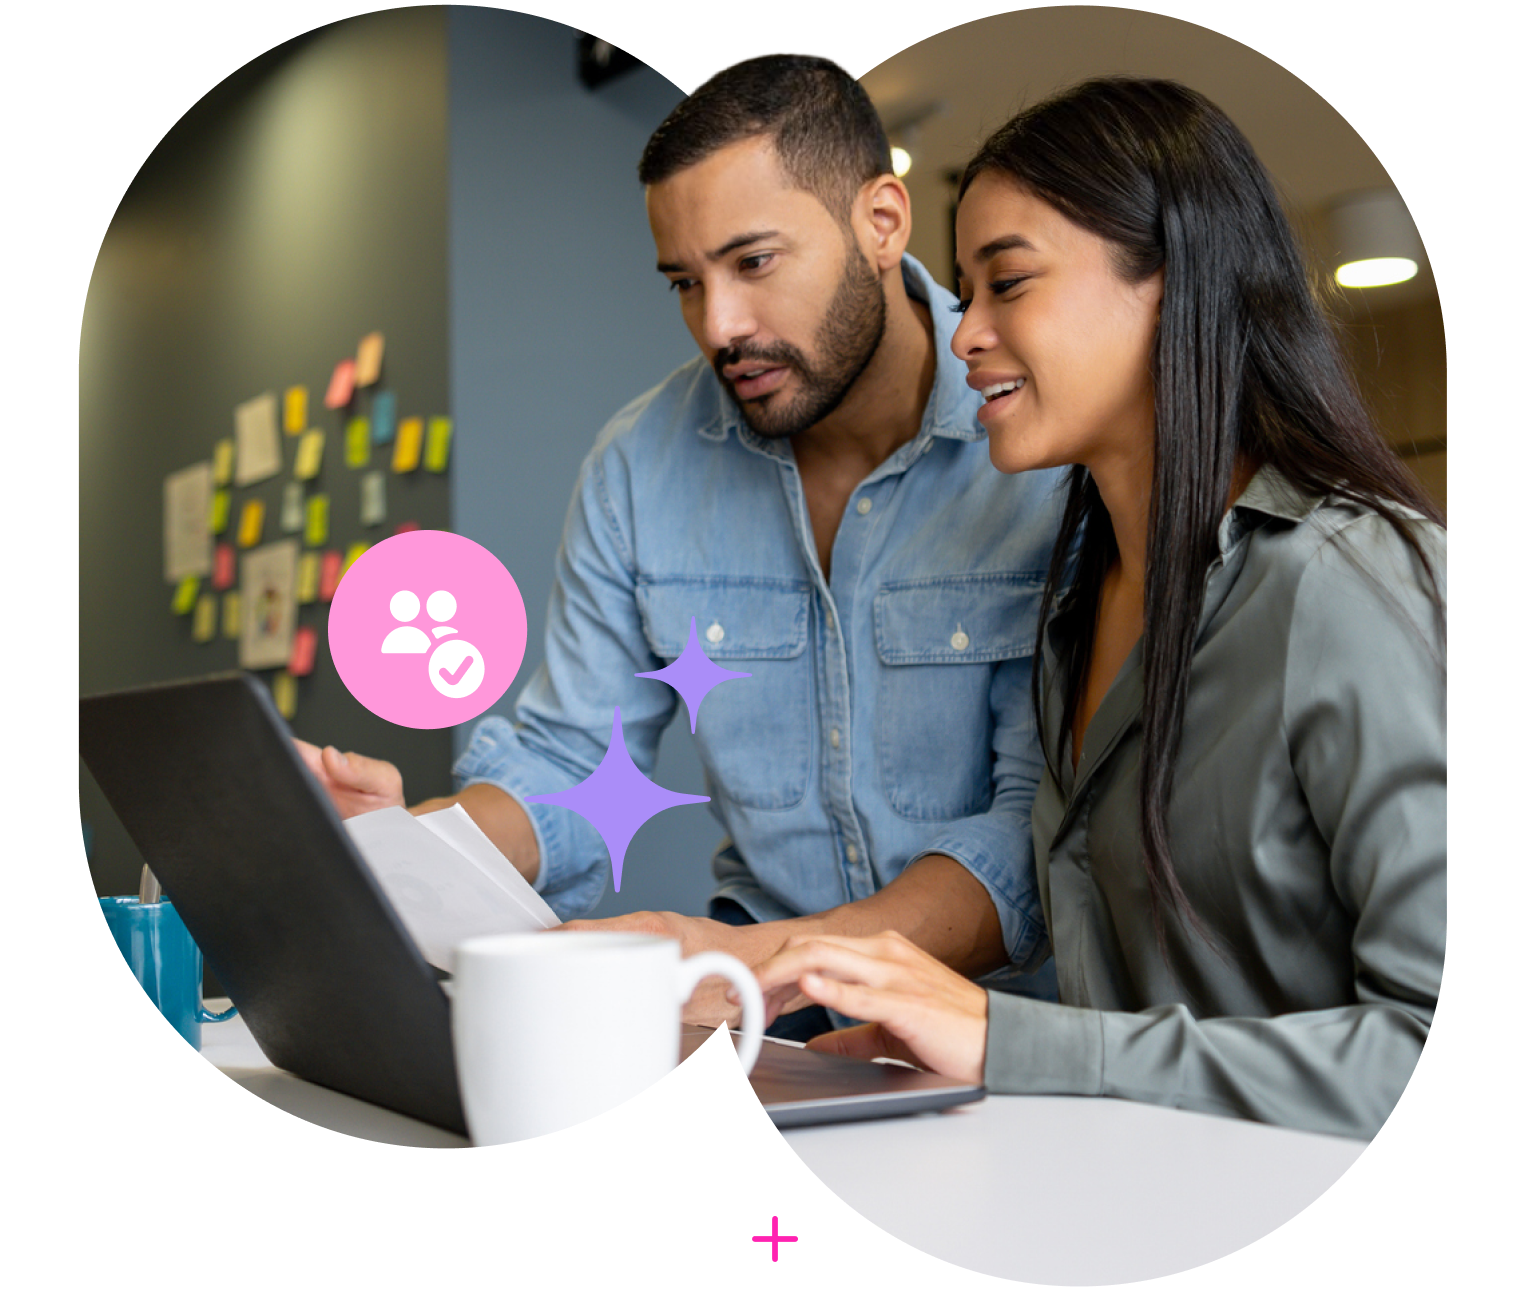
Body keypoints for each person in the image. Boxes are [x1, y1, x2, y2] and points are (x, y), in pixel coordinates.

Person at [298, 53, 1066, 1040]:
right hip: (754, 1009)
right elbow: (574, 763)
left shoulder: (1038, 441)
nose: (720, 326)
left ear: (880, 220)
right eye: (683, 282)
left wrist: (772, 959)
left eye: (752, 263)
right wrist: (407, 848)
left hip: (997, 1019)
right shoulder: (639, 464)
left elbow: (1031, 833)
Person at [749, 76, 1446, 1137]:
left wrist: (1010, 1041)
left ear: (1169, 283)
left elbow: (1410, 1038)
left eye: (1006, 283)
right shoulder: (1076, 601)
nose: (961, 333)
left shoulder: (1347, 581)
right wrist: (945, 1046)